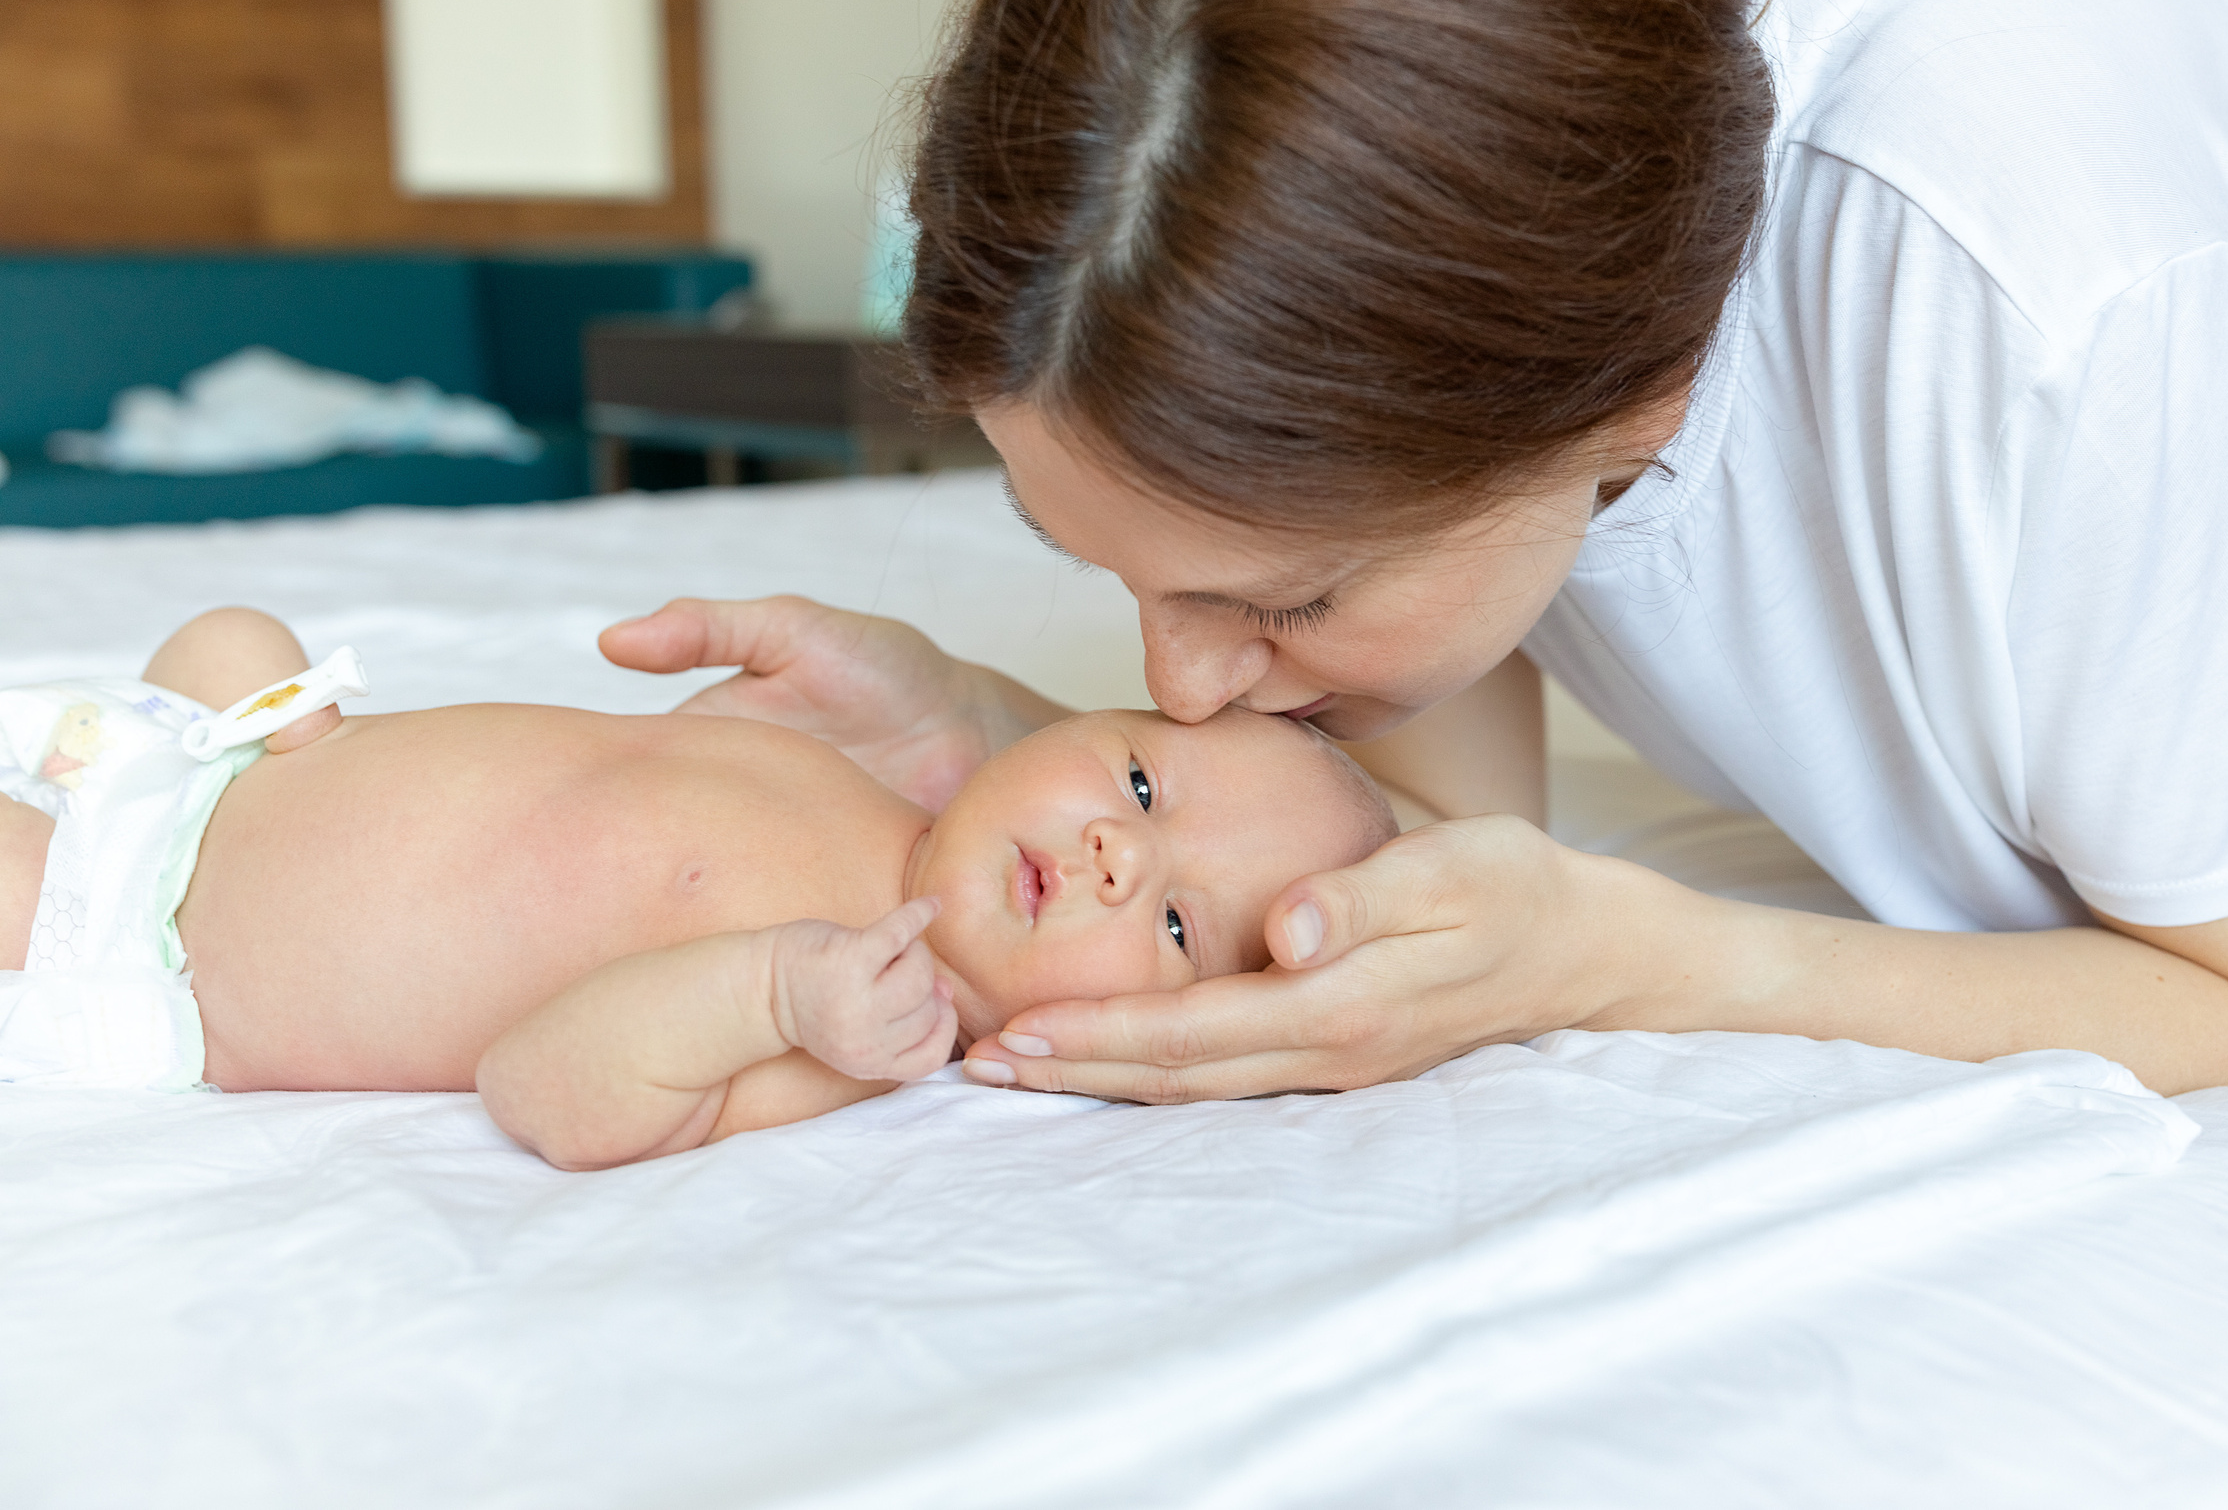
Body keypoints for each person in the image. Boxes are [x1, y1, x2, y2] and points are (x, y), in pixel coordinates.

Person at [608, 0, 2228, 1110]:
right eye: (1119, 573)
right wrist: (997, 739)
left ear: (1635, 395)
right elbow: (1413, 851)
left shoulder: (2048, 278)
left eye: (1283, 598)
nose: (1182, 681)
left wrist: (1642, 960)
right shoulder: (1505, 204)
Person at [0, 608, 1394, 1167]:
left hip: (177, 940)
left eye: (1172, 922)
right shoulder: (874, 782)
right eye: (1140, 784)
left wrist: (772, 993)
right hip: (247, 752)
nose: (1117, 854)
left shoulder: (861, 1023)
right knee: (231, 632)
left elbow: (544, 1088)